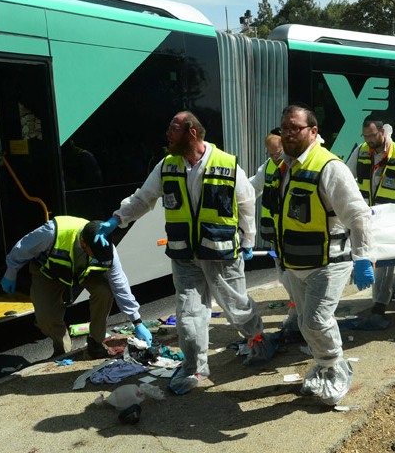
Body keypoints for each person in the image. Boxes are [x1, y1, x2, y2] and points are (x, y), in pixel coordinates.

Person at [95, 110, 274, 395]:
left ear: (191, 132)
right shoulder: (167, 166)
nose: (167, 134)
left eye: (173, 128)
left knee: (237, 308)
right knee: (189, 316)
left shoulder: (226, 164)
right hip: (185, 255)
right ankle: (194, 368)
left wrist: (249, 239)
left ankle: (258, 341)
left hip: (220, 253)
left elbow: (247, 200)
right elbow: (144, 198)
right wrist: (117, 219)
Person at [266, 104, 374, 405]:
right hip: (294, 262)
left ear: (313, 131)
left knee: (316, 321)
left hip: (328, 261)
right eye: (284, 128)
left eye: (295, 128)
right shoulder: (284, 166)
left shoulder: (329, 167)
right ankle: (323, 364)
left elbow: (358, 215)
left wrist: (363, 256)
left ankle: (338, 368)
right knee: (303, 322)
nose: (288, 133)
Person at [0, 216, 152, 358]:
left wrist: (137, 321)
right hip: (48, 271)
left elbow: (120, 286)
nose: (99, 258)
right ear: (83, 244)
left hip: (81, 272)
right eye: (96, 255)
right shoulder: (52, 232)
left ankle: (95, 341)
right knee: (46, 317)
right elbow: (22, 248)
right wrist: (11, 271)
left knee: (105, 292)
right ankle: (63, 349)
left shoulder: (107, 250)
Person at [346, 118, 395, 316]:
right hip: (366, 214)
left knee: (384, 258)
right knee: (386, 258)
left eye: (372, 136)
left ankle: (379, 303)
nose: (368, 140)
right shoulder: (360, 151)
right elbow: (346, 176)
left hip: (390, 218)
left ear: (382, 132)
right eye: (365, 136)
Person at [249, 128, 300, 340]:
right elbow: (251, 188)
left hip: (296, 235)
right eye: (270, 154)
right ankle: (296, 316)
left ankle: (299, 320)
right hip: (277, 237)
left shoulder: (297, 166)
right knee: (285, 278)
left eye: (277, 152)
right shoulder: (269, 167)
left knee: (297, 279)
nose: (274, 157)